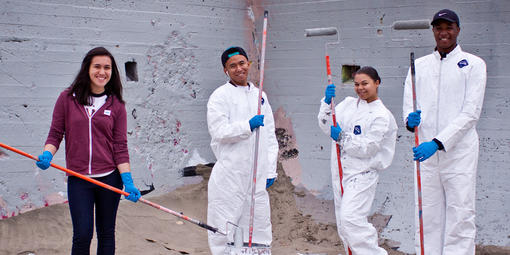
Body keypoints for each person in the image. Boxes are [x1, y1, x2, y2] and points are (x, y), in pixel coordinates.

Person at [35, 47, 141, 255]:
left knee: (106, 233)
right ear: (87, 68)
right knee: (82, 234)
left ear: (112, 72)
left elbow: (120, 146)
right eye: (97, 66)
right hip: (79, 178)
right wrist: (48, 153)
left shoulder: (117, 105)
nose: (102, 72)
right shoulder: (67, 98)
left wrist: (127, 180)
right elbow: (56, 133)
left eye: (107, 67)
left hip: (109, 179)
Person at [403, 9, 487, 255]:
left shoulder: (473, 65)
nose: (443, 32)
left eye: (448, 27)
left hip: (458, 154)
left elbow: (471, 113)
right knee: (427, 214)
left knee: (460, 214)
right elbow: (409, 106)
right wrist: (410, 121)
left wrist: (438, 142)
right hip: (425, 156)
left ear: (458, 30)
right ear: (433, 31)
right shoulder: (418, 66)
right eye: (438, 28)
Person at [318, 66, 397, 255]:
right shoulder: (347, 104)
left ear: (377, 83)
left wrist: (342, 138)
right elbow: (326, 125)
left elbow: (369, 147)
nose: (360, 88)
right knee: (343, 226)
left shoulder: (381, 115)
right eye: (356, 84)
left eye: (365, 84)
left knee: (351, 219)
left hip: (363, 174)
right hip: (341, 171)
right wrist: (326, 104)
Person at [206, 46, 278, 254]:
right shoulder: (219, 96)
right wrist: (247, 126)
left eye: (242, 63)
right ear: (225, 71)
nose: (239, 68)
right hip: (230, 176)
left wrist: (270, 170)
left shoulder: (260, 96)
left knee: (258, 228)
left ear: (249, 64)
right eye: (232, 66)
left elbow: (270, 136)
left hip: (257, 177)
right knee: (224, 227)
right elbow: (219, 131)